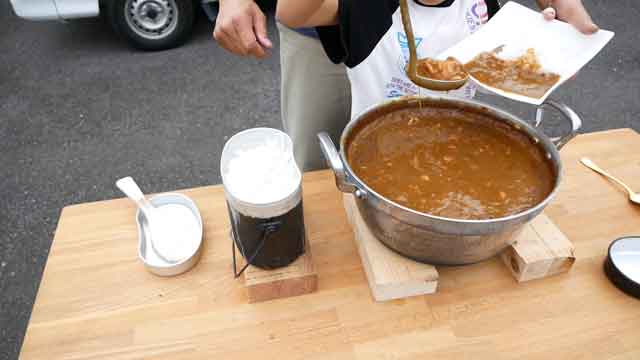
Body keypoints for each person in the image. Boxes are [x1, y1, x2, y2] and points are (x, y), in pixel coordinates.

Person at [213, 0, 599, 170]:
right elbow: (295, 11)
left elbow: (519, 55)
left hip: (446, 145)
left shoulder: (482, 11)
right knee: (318, 164)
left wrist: (556, 43)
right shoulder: (362, 8)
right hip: (342, 28)